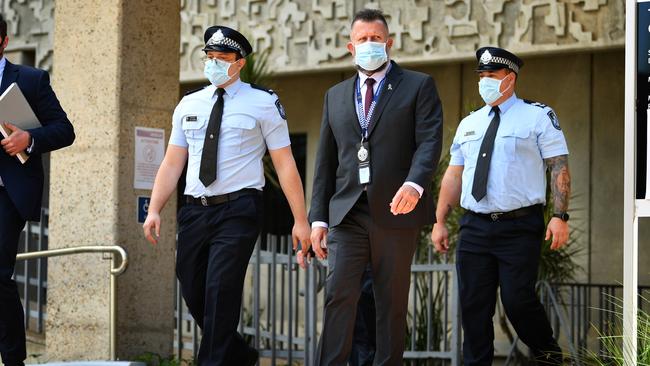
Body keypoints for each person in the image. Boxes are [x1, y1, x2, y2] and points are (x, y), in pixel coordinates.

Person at [142, 26, 311, 366]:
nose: (214, 64)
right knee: (192, 286)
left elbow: (285, 163)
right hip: (195, 211)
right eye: (210, 57)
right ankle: (240, 354)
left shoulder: (264, 103)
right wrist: (155, 208)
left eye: (222, 58)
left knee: (221, 288)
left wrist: (300, 220)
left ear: (240, 63)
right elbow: (173, 161)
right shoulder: (189, 104)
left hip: (239, 210)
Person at [304, 8, 443, 364]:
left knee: (391, 303)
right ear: (350, 47)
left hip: (397, 210)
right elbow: (326, 163)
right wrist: (318, 219)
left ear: (389, 43)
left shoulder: (417, 85)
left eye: (376, 39)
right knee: (338, 296)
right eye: (362, 39)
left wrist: (415, 184)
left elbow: (429, 141)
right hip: (348, 213)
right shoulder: (334, 96)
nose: (370, 45)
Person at [431, 46, 570, 365]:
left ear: (509, 79)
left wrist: (560, 216)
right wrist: (440, 220)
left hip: (519, 226)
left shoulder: (537, 116)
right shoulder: (470, 123)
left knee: (518, 300)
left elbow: (559, 166)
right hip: (474, 226)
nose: (484, 82)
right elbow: (454, 175)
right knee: (473, 308)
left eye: (491, 76)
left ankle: (550, 358)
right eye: (481, 76)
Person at [0, 13, 75, 366]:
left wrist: (29, 138)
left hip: (7, 193)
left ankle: (14, 360)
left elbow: (64, 129)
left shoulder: (30, 79)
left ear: (3, 41)